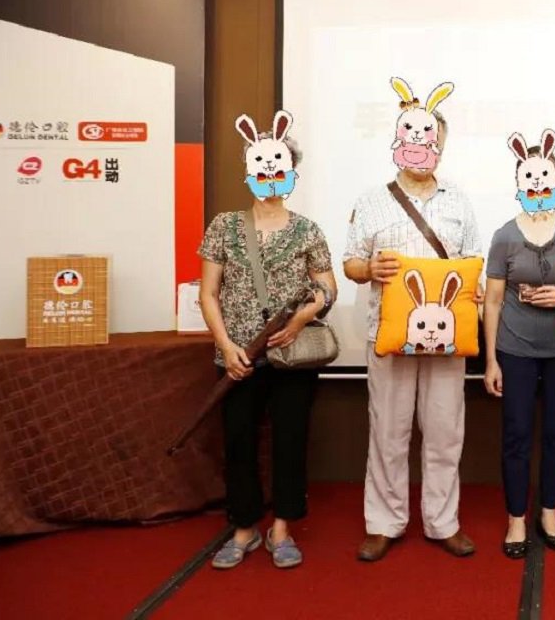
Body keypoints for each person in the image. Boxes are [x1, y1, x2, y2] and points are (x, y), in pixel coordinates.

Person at [343, 78, 482, 562]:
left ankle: (443, 523)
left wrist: (472, 289)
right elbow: (350, 264)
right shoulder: (371, 200)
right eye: (414, 136)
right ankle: (384, 523)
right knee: (388, 430)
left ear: (440, 146)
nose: (422, 146)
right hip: (388, 334)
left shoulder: (459, 200)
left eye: (431, 139)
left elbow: (474, 262)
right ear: (399, 140)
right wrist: (370, 269)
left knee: (445, 431)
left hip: (447, 339)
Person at [199, 111, 337, 570]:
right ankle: (244, 527)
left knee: (290, 440)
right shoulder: (224, 226)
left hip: (292, 357)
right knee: (238, 441)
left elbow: (328, 289)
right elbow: (208, 293)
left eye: (279, 163)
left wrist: (301, 320)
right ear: (248, 169)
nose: (270, 172)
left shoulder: (307, 230)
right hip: (238, 356)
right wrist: (226, 347)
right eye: (261, 163)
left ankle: (282, 528)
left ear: (292, 170)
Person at [483, 129, 555, 559]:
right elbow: (493, 300)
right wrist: (491, 360)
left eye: (544, 176)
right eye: (529, 176)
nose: (537, 183)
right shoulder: (505, 236)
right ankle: (516, 518)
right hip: (515, 350)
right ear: (519, 182)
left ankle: (549, 513)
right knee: (516, 434)